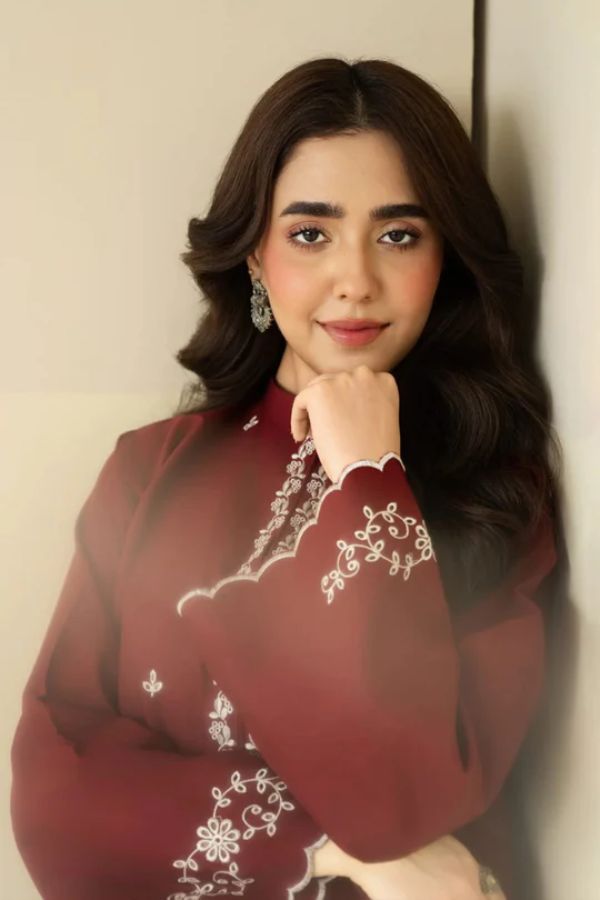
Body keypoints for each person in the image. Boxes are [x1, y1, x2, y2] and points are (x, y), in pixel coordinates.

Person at [10, 56, 561, 900]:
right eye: (311, 234)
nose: (356, 279)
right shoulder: (149, 471)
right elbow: (54, 793)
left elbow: (404, 798)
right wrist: (328, 851)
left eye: (399, 234)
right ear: (257, 260)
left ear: (446, 257)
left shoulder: (497, 494)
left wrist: (371, 475)